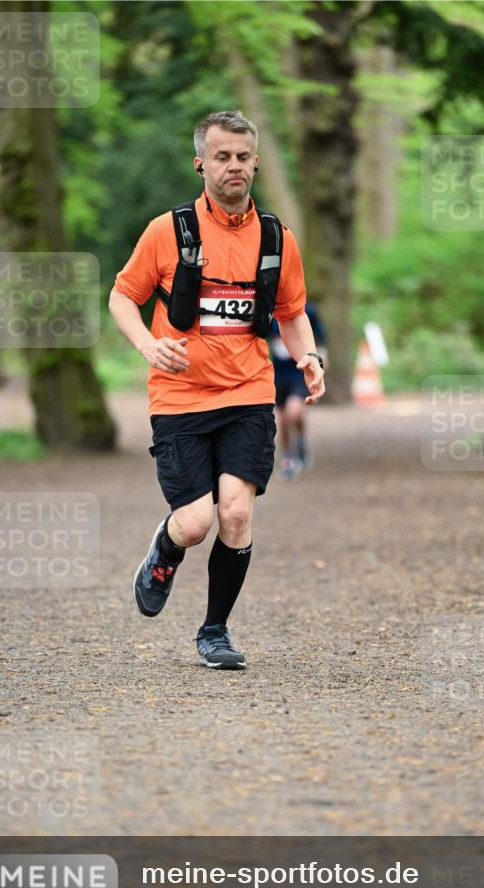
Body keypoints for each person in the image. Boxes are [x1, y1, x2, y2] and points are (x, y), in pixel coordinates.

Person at [109, 110, 325, 669]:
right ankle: (165, 546)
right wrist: (147, 345)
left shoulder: (276, 237)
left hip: (249, 395)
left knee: (234, 516)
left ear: (255, 161)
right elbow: (122, 297)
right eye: (223, 156)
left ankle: (215, 632)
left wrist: (308, 356)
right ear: (200, 162)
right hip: (179, 398)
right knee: (196, 523)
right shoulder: (168, 231)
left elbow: (292, 312)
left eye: (243, 156)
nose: (235, 166)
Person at [269, 301, 328, 479]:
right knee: (284, 421)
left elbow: (321, 334)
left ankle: (301, 442)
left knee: (292, 412)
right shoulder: (267, 308)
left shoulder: (307, 310)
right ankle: (288, 458)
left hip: (299, 372)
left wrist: (322, 355)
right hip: (278, 374)